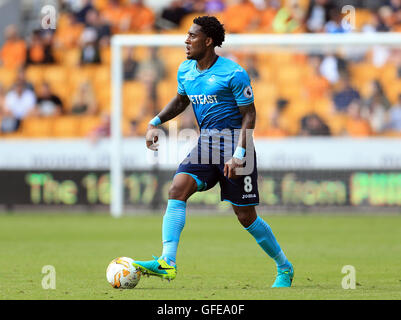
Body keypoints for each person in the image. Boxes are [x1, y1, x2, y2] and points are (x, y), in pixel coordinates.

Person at [133, 16, 294, 288]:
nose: (186, 40)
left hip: (236, 146)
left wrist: (240, 152)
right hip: (206, 144)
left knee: (245, 217)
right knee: (177, 188)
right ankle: (167, 262)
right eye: (186, 35)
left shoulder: (233, 73)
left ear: (208, 41)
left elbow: (250, 115)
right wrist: (155, 122)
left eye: (192, 36)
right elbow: (182, 100)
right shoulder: (185, 70)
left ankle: (284, 267)